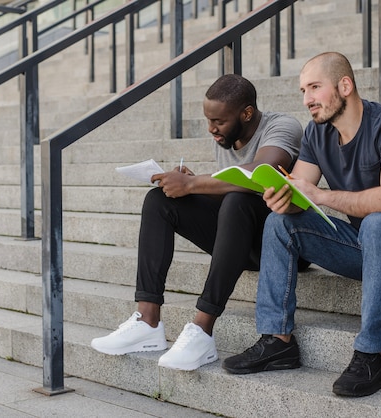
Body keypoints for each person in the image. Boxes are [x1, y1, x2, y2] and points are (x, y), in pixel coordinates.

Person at [222, 52, 381, 397]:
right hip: (366, 247)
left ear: (345, 85)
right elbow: (300, 187)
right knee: (280, 224)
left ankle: (370, 355)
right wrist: (283, 198)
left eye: (315, 87)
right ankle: (277, 340)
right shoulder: (317, 133)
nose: (307, 100)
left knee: (377, 222)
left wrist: (322, 196)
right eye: (303, 90)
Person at [91, 74, 303, 371]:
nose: (211, 129)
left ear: (247, 113)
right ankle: (147, 321)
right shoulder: (226, 136)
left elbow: (259, 175)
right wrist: (191, 184)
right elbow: (229, 193)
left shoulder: (283, 126)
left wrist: (194, 185)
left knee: (237, 199)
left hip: (284, 243)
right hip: (243, 238)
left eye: (219, 121)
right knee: (160, 201)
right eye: (208, 120)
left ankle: (202, 329)